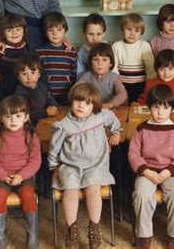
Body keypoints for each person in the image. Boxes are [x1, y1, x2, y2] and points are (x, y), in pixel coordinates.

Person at [48, 83, 121, 249]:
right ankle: (71, 229)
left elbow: (112, 119)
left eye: (87, 103)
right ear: (71, 101)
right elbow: (54, 148)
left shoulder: (100, 115)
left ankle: (94, 227)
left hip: (95, 165)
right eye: (78, 101)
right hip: (70, 165)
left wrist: (116, 131)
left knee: (93, 189)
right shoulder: (64, 125)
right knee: (70, 190)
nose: (81, 105)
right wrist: (54, 167)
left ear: (93, 106)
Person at [128, 84, 174, 249]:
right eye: (156, 107)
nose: (160, 112)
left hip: (170, 171)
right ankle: (144, 235)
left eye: (165, 108)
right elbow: (133, 155)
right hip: (147, 171)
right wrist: (146, 171)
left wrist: (169, 171)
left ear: (171, 109)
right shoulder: (142, 129)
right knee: (141, 195)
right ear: (149, 108)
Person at [0, 96, 41, 249]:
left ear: (26, 117)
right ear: (1, 118)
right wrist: (3, 176)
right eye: (8, 116)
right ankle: (0, 240)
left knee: (29, 196)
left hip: (24, 176)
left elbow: (35, 161)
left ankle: (32, 239)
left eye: (17, 116)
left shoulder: (31, 136)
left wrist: (21, 176)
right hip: (1, 176)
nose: (13, 120)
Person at [0, 14, 35, 116]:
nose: (14, 33)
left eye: (18, 29)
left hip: (25, 96)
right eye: (9, 30)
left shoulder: (30, 51)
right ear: (3, 33)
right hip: (3, 97)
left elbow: (39, 74)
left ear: (24, 31)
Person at [112, 13, 156, 103]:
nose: (132, 33)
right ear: (122, 29)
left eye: (137, 30)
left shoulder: (144, 46)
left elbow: (150, 69)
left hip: (141, 85)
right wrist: (117, 85)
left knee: (139, 107)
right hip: (122, 85)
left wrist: (150, 87)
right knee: (123, 106)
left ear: (141, 32)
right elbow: (114, 69)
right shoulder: (116, 46)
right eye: (129, 29)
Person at [36, 12, 77, 105]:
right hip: (47, 95)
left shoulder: (71, 51)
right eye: (50, 30)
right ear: (46, 33)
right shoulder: (40, 52)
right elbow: (38, 75)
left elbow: (74, 74)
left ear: (65, 32)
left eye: (59, 29)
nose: (55, 33)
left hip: (67, 94)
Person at [76, 43, 128, 109]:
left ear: (111, 63)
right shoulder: (86, 77)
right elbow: (74, 90)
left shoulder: (114, 77)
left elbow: (122, 94)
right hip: (90, 111)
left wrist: (110, 104)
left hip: (110, 111)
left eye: (104, 60)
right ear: (90, 63)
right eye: (95, 59)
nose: (100, 63)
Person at [14, 55, 59, 126]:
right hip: (27, 126)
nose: (29, 77)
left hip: (41, 122)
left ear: (39, 74)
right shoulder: (20, 93)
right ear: (18, 77)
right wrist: (46, 113)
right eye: (24, 74)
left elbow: (49, 99)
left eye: (32, 72)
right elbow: (25, 116)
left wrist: (54, 106)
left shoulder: (41, 86)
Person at [77, 13, 107, 79]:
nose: (95, 38)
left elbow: (112, 69)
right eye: (91, 34)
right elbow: (79, 72)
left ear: (104, 34)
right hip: (88, 83)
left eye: (98, 34)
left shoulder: (108, 49)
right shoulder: (82, 52)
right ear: (84, 34)